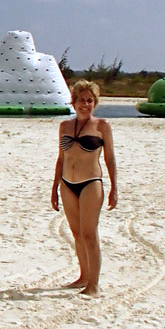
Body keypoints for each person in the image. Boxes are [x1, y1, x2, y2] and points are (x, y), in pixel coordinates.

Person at [50, 79, 117, 296]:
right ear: (74, 102)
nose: (85, 105)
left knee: (89, 234)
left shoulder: (102, 126)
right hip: (67, 184)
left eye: (90, 101)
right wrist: (54, 187)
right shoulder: (64, 126)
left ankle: (93, 285)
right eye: (81, 100)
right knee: (77, 233)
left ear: (95, 103)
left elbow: (109, 158)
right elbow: (61, 158)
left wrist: (114, 188)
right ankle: (83, 276)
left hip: (91, 183)